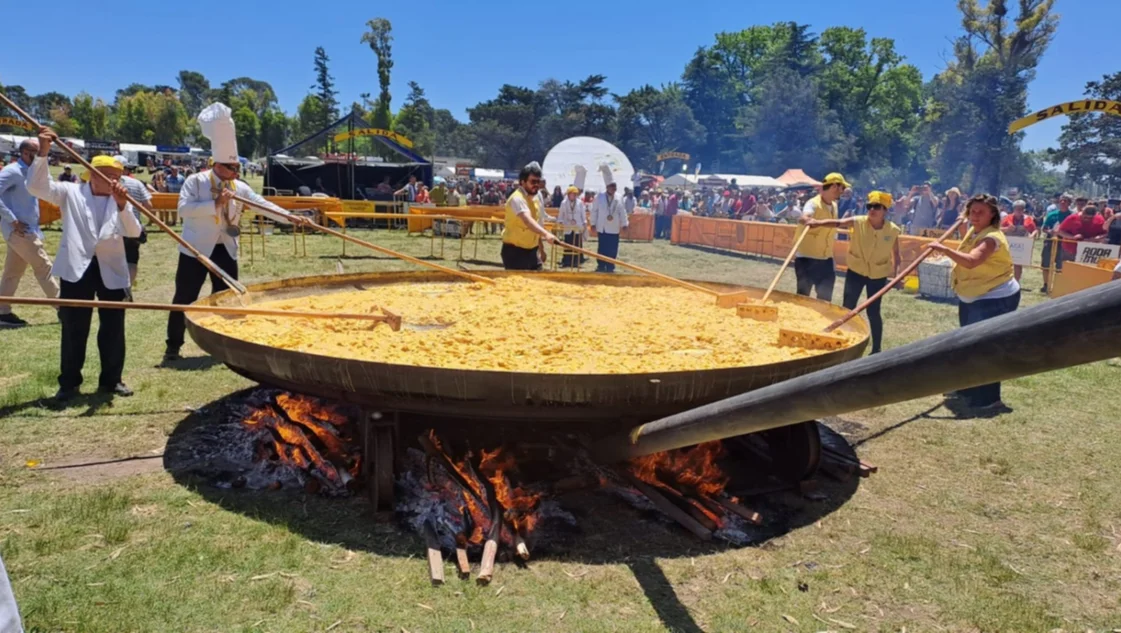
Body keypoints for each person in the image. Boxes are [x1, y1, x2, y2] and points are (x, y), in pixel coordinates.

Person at [165, 103, 307, 362]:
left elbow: (262, 204)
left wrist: (290, 218)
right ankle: (173, 346)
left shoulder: (239, 187)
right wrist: (216, 204)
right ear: (218, 165)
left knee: (227, 297)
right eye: (232, 168)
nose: (235, 173)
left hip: (225, 248)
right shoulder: (195, 181)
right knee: (184, 296)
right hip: (195, 249)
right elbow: (183, 210)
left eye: (237, 168)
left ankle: (225, 345)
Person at [27, 132, 141, 400]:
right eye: (108, 175)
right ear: (92, 175)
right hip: (76, 268)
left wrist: (123, 206)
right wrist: (43, 151)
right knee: (74, 327)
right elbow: (36, 187)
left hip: (111, 269)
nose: (114, 181)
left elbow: (134, 232)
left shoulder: (121, 200)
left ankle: (112, 380)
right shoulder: (71, 192)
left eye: (118, 177)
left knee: (113, 327)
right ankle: (69, 383)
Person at [928, 194, 1020, 415]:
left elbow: (972, 261)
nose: (975, 216)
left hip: (995, 297)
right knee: (968, 344)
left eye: (981, 212)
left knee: (986, 348)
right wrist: (963, 224)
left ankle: (989, 399)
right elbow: (968, 246)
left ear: (992, 215)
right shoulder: (975, 230)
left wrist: (944, 249)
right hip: (974, 296)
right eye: (972, 211)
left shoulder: (992, 238)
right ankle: (968, 388)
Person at [803, 191, 900, 354]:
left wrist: (896, 276)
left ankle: (876, 349)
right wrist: (816, 222)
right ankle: (843, 341)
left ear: (885, 210)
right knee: (848, 307)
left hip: (878, 274)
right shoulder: (858, 221)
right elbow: (837, 222)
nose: (872, 210)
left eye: (877, 207)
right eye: (869, 206)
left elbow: (896, 254)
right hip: (856, 271)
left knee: (873, 311)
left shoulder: (893, 230)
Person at [0, 138, 61, 327]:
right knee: (44, 267)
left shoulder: (32, 172)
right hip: (20, 231)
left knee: (12, 272)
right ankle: (64, 308)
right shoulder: (12, 171)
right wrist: (12, 220)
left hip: (26, 229)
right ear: (25, 153)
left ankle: (2, 312)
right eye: (37, 152)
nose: (41, 155)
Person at [795, 173, 849, 301]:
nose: (843, 191)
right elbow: (804, 216)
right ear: (834, 186)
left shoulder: (834, 205)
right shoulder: (813, 203)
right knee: (803, 297)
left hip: (826, 259)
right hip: (806, 259)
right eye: (842, 187)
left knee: (825, 299)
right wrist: (807, 220)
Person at [500, 162, 557, 270]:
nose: (536, 185)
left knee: (538, 279)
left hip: (532, 251)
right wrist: (546, 234)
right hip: (515, 252)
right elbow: (528, 221)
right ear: (523, 182)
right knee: (519, 281)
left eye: (538, 182)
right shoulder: (517, 199)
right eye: (533, 181)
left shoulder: (535, 199)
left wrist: (541, 248)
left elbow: (536, 225)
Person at [109, 155, 153, 290]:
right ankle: (126, 288)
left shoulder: (107, 183)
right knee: (132, 260)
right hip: (132, 226)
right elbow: (148, 206)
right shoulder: (137, 183)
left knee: (111, 260)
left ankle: (114, 287)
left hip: (112, 227)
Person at [590, 164, 628, 272]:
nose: (614, 189)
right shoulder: (599, 197)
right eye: (612, 186)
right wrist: (593, 223)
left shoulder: (619, 197)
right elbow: (594, 211)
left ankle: (611, 266)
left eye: (615, 186)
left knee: (613, 248)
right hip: (602, 227)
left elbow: (622, 212)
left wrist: (624, 224)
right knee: (602, 247)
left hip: (614, 227)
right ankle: (601, 265)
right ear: (607, 187)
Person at [1039, 193, 1074, 293]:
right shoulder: (1052, 214)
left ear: (1069, 203)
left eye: (1065, 201)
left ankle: (1058, 285)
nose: (1062, 202)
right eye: (1061, 200)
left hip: (1064, 242)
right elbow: (1044, 228)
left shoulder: (1072, 216)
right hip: (1050, 241)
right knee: (1046, 263)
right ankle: (1046, 284)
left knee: (1061, 265)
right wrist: (1050, 231)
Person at [1000, 200, 1037, 282]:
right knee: (1006, 263)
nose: (1019, 210)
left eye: (1021, 209)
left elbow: (1034, 230)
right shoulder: (1008, 218)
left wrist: (1032, 236)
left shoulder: (1028, 219)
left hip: (1021, 246)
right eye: (1017, 209)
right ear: (1014, 209)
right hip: (1009, 244)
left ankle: (1016, 282)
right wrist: (1007, 228)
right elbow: (999, 229)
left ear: (1024, 209)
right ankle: (1005, 281)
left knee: (1018, 265)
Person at [557, 185, 587, 268]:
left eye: (574, 194)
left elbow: (583, 214)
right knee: (568, 244)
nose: (573, 195)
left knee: (577, 244)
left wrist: (584, 223)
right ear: (568, 194)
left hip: (578, 226)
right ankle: (567, 261)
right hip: (568, 226)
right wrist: (560, 222)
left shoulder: (580, 203)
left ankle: (576, 262)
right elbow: (561, 214)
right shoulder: (564, 203)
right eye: (571, 194)